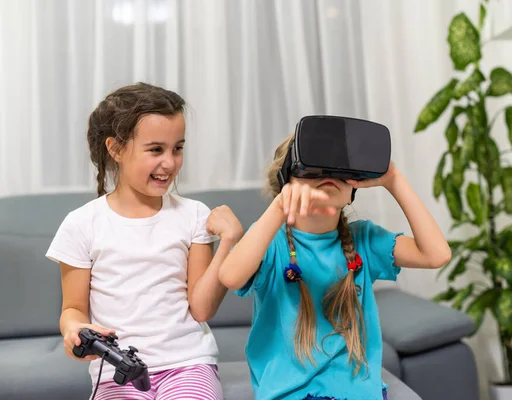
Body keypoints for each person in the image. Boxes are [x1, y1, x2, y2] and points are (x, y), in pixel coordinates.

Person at [219, 131, 452, 400]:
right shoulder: (270, 244)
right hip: (288, 394)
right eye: (312, 168)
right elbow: (231, 276)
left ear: (353, 191)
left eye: (339, 171)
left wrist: (394, 181)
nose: (327, 175)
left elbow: (436, 255)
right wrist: (279, 206)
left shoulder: (364, 240)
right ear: (286, 181)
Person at [46, 82, 243, 400]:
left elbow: (203, 309)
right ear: (116, 149)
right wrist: (73, 330)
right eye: (155, 150)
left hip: (187, 364)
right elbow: (73, 308)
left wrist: (230, 240)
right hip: (115, 372)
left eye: (177, 148)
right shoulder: (81, 224)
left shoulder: (193, 216)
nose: (170, 162)